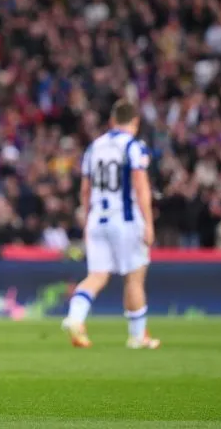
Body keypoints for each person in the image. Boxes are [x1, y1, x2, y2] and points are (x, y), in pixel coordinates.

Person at [62, 100, 161, 349]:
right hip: (125, 220)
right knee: (134, 277)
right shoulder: (133, 146)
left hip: (97, 219)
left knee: (97, 276)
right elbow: (140, 186)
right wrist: (149, 224)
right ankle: (138, 336)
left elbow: (85, 190)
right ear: (135, 122)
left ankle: (75, 317)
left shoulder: (94, 147)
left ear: (112, 121)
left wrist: (87, 219)